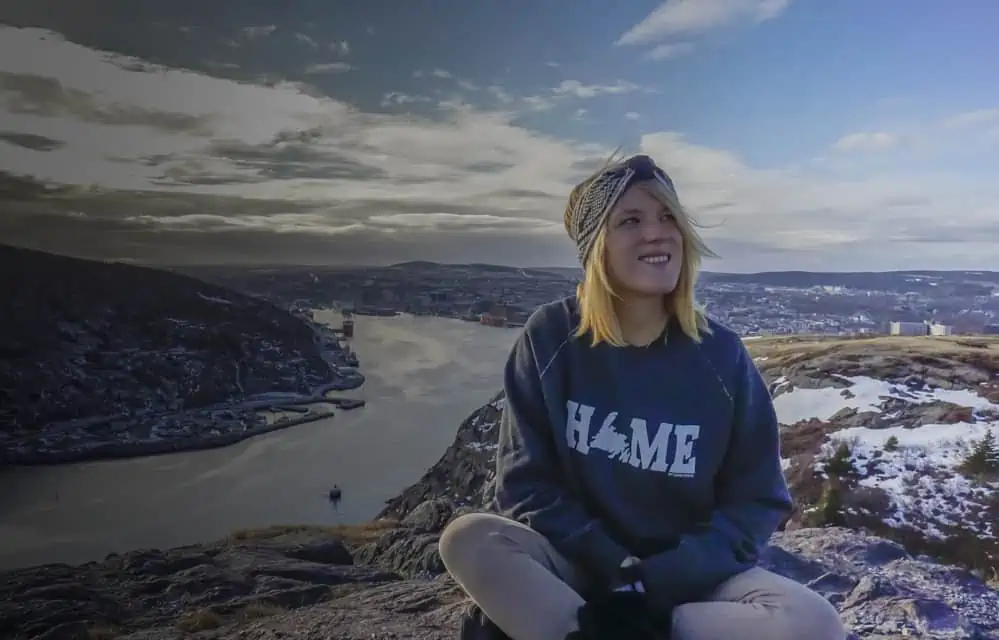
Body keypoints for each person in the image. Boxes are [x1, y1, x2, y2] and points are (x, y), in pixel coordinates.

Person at [438, 153, 847, 640]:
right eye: (631, 220)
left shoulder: (721, 357)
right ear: (596, 248)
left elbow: (756, 501)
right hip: (576, 566)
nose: (657, 233)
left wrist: (655, 586)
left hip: (686, 584)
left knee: (814, 622)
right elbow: (526, 484)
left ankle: (605, 633)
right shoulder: (549, 337)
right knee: (468, 539)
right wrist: (614, 564)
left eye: (668, 216)